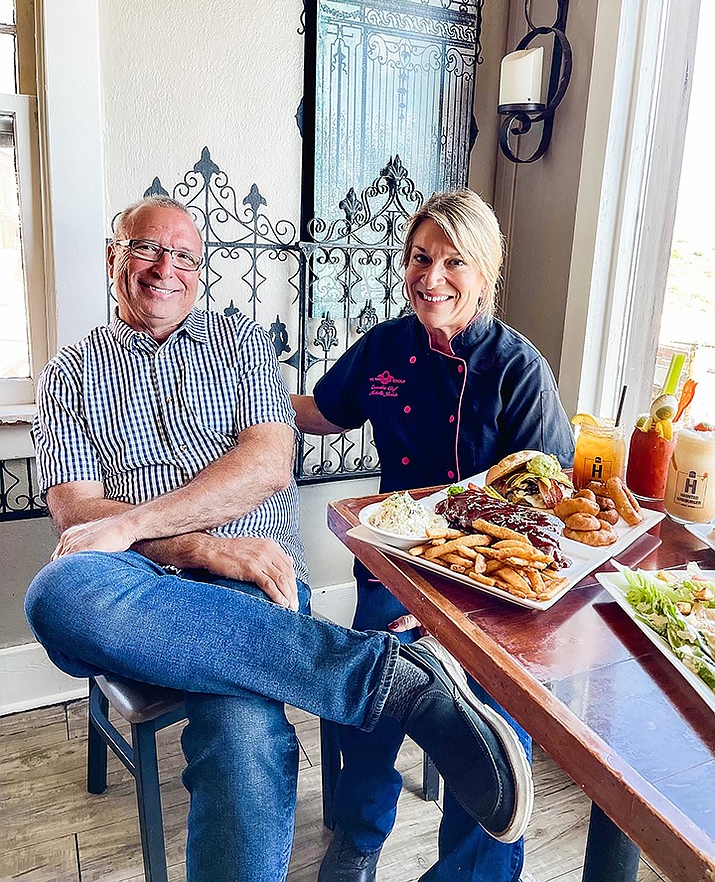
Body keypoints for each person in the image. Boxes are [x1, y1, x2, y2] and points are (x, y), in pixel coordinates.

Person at [24, 195, 534, 882]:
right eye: (146, 247)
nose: (163, 268)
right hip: (140, 579)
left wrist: (135, 520)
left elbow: (267, 461)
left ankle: (407, 733)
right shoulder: (70, 372)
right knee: (56, 592)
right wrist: (200, 544)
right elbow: (79, 518)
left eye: (183, 255)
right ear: (113, 255)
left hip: (282, 575)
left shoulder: (240, 344)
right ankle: (389, 682)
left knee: (242, 739)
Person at [293, 188, 574, 882]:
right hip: (395, 576)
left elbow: (546, 497)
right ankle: (358, 836)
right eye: (420, 258)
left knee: (495, 731)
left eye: (453, 261)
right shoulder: (384, 346)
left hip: (491, 590)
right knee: (369, 693)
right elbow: (324, 412)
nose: (432, 277)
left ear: (484, 272)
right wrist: (247, 399)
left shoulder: (518, 367)